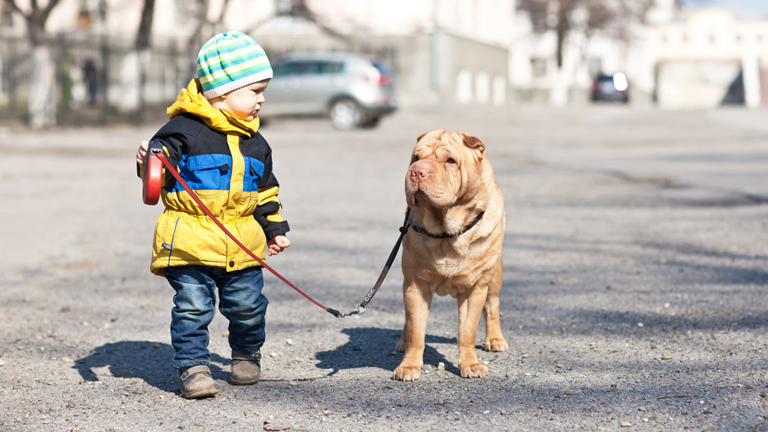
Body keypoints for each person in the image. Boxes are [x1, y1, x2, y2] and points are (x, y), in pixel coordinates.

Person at [135, 32, 291, 399]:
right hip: (190, 241)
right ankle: (193, 367)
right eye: (255, 91)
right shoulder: (181, 131)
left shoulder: (256, 143)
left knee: (248, 307)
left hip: (242, 243)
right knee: (192, 308)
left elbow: (265, 192)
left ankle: (246, 354)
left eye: (263, 91)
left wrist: (274, 228)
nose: (262, 99)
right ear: (222, 92)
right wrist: (148, 161)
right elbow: (158, 173)